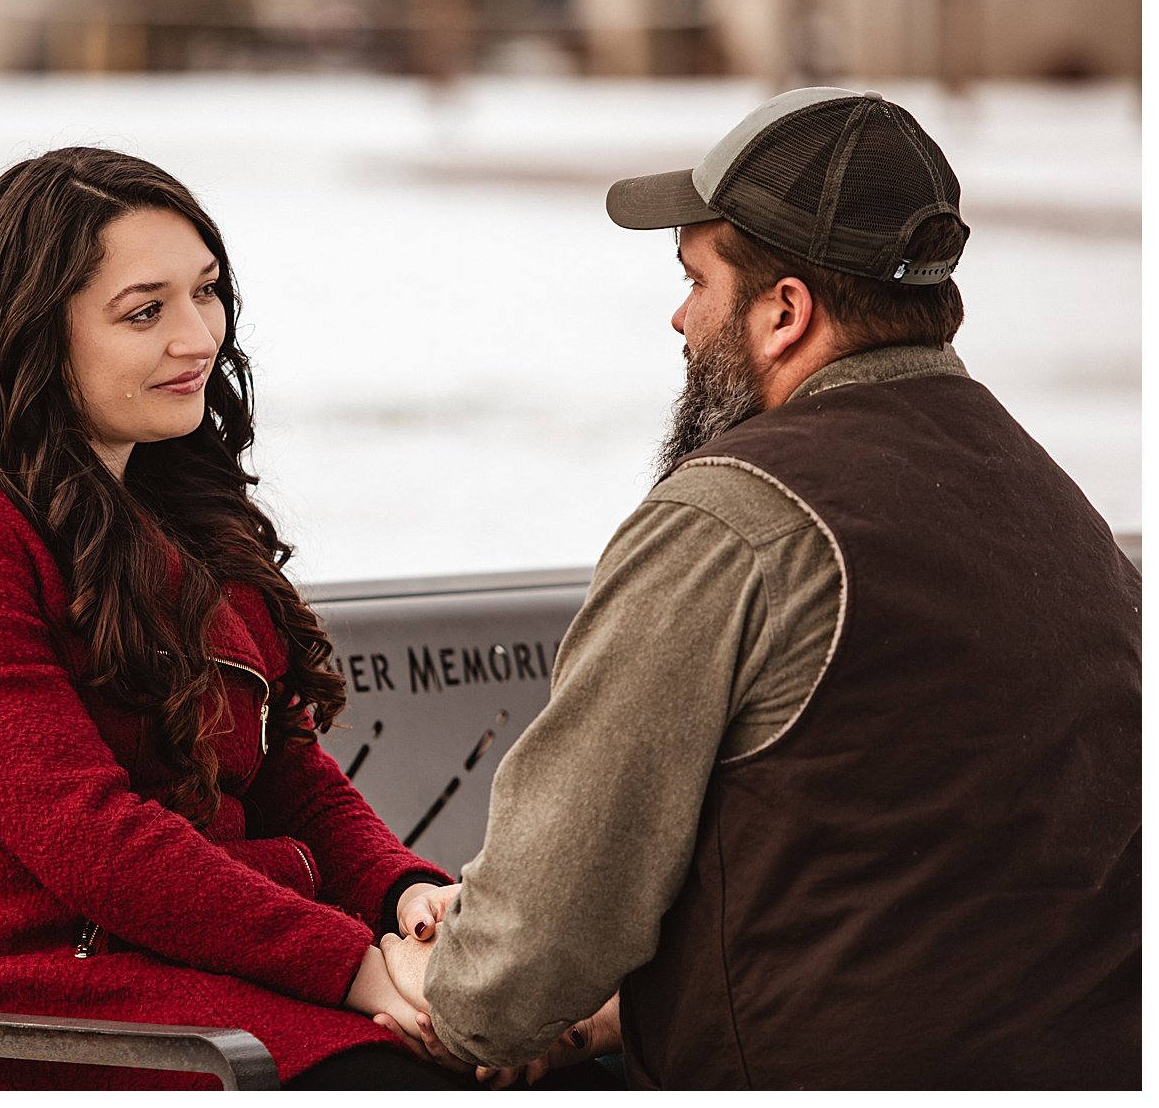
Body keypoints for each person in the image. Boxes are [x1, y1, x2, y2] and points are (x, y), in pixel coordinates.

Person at [378, 87, 1141, 1089]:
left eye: (696, 279)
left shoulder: (732, 520)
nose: (678, 316)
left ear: (784, 312)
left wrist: (432, 976)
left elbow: (515, 965)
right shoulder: (1058, 508)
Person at [0, 147, 469, 1090]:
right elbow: (91, 835)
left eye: (206, 293)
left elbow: (285, 766)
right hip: (36, 1008)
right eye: (145, 311)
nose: (198, 336)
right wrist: (356, 968)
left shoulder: (166, 494)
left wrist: (401, 893)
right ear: (37, 332)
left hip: (183, 969)